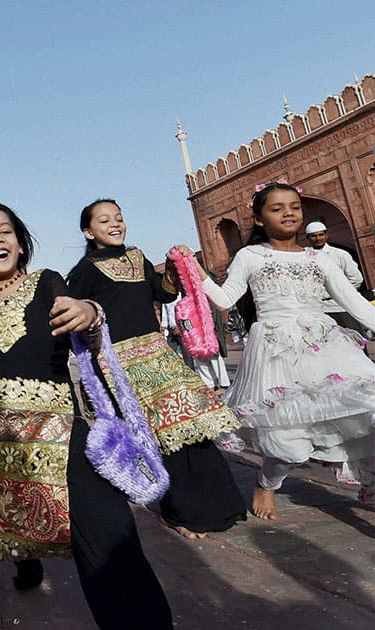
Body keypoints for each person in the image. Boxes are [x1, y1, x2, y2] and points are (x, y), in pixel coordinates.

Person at [0, 201, 172, 628]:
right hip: (2, 438)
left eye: (5, 231)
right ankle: (4, 561)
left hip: (60, 427)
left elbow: (80, 315)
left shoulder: (47, 283)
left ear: (21, 244)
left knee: (108, 538)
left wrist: (91, 313)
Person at [175, 182, 375, 519]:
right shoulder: (251, 256)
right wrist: (195, 271)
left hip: (325, 345)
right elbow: (225, 299)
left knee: (366, 409)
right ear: (258, 218)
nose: (289, 213)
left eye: (295, 207)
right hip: (275, 350)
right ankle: (267, 482)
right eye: (277, 208)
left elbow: (354, 303)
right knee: (289, 440)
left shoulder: (320, 259)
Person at [67, 199, 246, 540]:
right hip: (118, 362)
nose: (115, 224)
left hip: (158, 353)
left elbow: (162, 294)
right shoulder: (84, 271)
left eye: (119, 217)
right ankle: (179, 511)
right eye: (105, 220)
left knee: (190, 424)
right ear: (89, 231)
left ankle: (218, 505)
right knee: (158, 436)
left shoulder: (137, 257)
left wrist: (173, 269)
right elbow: (73, 314)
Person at [304, 219, 369, 336]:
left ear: (326, 235)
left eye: (320, 234)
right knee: (332, 344)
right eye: (313, 236)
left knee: (355, 341)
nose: (318, 238)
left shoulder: (340, 255)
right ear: (308, 238)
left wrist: (339, 292)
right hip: (322, 309)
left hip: (343, 307)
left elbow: (356, 279)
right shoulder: (305, 258)